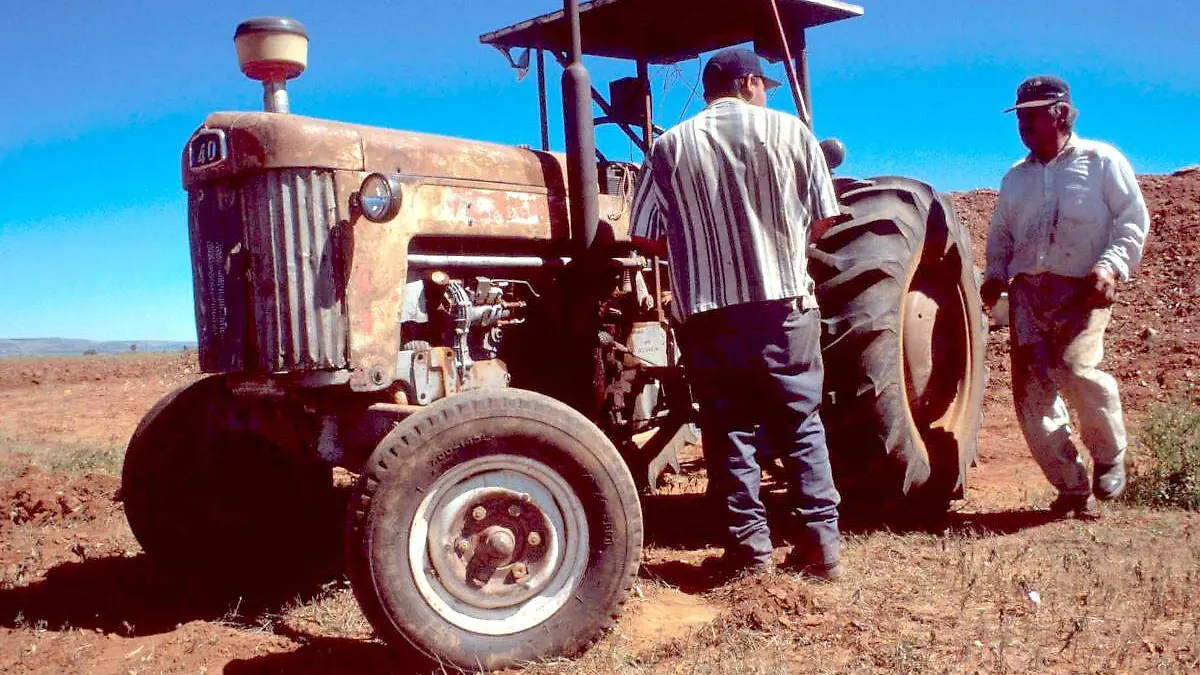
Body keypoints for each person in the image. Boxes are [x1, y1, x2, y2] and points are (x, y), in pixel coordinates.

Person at [629, 47, 842, 579]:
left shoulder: (668, 146)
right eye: (763, 84)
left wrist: (700, 253)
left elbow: (644, 235)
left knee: (729, 429)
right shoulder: (793, 133)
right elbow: (823, 219)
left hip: (709, 315)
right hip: (784, 307)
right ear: (749, 83)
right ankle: (821, 548)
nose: (765, 92)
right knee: (800, 422)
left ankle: (752, 555)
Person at [982, 75, 1150, 520]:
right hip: (1027, 295)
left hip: (1082, 288)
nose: (1023, 125)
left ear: (1060, 113)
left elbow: (1132, 219)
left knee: (1076, 369)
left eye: (1031, 115)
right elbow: (1001, 233)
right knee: (1032, 397)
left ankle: (1110, 454)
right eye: (1019, 117)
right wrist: (995, 274)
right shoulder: (1015, 179)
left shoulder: (1101, 161)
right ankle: (1072, 489)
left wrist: (1111, 265)